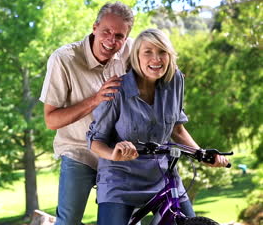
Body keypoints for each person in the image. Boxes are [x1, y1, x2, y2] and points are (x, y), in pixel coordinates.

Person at [86, 28, 230, 225]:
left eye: (162, 52)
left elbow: (176, 128)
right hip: (120, 180)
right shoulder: (116, 90)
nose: (156, 59)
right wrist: (113, 153)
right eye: (148, 52)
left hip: (163, 176)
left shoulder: (175, 80)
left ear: (169, 55)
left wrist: (201, 153)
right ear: (136, 56)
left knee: (190, 221)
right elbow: (95, 141)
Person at [39, 1, 135, 225]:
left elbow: (158, 59)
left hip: (116, 151)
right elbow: (51, 120)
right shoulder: (63, 59)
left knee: (129, 221)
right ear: (94, 27)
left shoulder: (131, 50)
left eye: (119, 36)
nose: (112, 41)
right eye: (106, 32)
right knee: (69, 220)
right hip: (78, 149)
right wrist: (95, 100)